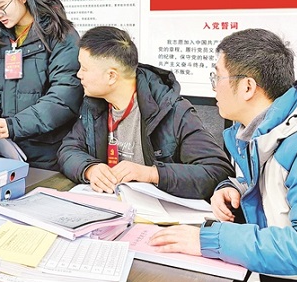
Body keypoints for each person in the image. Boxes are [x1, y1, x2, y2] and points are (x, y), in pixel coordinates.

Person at [149, 28, 297, 282]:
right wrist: (236, 187)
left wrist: (211, 240)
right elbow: (278, 185)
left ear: (247, 87)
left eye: (217, 77)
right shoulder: (265, 131)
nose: (214, 87)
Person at [57, 26, 233, 199]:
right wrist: (89, 169)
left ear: (111, 76)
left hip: (157, 211)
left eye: (84, 69)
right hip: (111, 204)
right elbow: (68, 149)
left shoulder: (171, 110)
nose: (79, 75)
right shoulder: (94, 106)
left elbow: (217, 171)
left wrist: (151, 174)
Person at [0, 0, 83, 170]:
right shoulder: (2, 38)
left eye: (1, 6)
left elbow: (63, 98)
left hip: (49, 153)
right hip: (9, 150)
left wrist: (13, 126)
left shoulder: (59, 34)